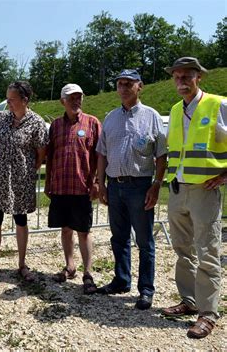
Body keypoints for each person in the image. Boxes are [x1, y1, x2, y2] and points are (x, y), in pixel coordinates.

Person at [161, 57, 227, 338]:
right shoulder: (176, 110)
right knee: (182, 249)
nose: (181, 82)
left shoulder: (217, 104)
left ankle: (208, 313)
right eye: (177, 77)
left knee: (207, 251)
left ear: (199, 77)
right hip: (178, 189)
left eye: (186, 76)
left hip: (204, 190)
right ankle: (189, 300)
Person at [96, 69, 167, 310]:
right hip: (115, 186)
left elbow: (161, 156)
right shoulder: (110, 117)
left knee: (145, 241)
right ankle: (121, 280)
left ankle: (146, 289)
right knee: (119, 238)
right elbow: (102, 153)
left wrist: (156, 185)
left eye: (128, 83)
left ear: (140, 86)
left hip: (140, 186)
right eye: (119, 84)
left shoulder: (152, 116)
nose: (123, 88)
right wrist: (100, 183)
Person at [0, 81, 48, 283]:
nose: (8, 103)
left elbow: (41, 153)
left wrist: (29, 169)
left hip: (22, 179)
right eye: (7, 99)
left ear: (24, 100)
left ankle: (22, 264)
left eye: (12, 99)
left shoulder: (36, 122)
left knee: (21, 221)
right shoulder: (1, 118)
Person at [45, 84, 101, 294]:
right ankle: (70, 266)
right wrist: (48, 182)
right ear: (63, 101)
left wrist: (96, 182)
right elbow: (50, 156)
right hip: (60, 186)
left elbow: (99, 156)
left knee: (84, 231)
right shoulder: (55, 126)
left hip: (82, 187)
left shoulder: (93, 123)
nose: (76, 101)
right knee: (65, 229)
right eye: (71, 98)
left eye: (79, 97)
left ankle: (88, 273)